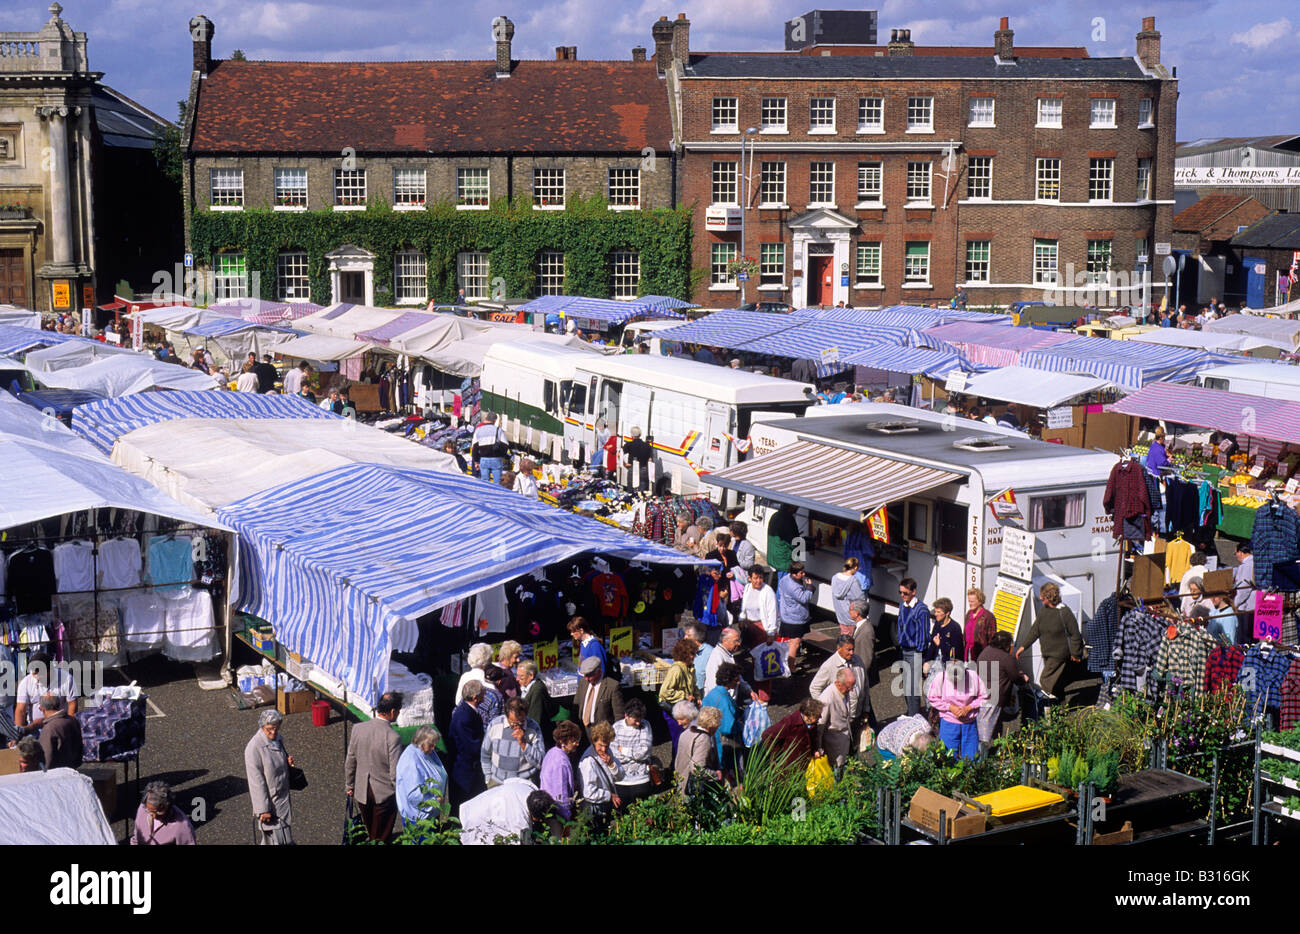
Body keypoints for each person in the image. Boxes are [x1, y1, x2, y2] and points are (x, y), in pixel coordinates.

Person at [344, 691, 404, 843]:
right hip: (383, 793)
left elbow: (350, 760)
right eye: (398, 711)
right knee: (381, 837)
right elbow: (394, 772)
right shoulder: (393, 737)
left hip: (362, 790)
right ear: (392, 711)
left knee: (370, 830)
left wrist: (349, 784)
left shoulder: (358, 729)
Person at [1016, 583, 1083, 698]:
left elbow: (1075, 634)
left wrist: (1076, 653)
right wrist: (1023, 647)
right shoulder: (1043, 611)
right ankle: (1059, 706)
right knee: (1056, 683)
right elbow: (1035, 630)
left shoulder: (1064, 612)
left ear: (1050, 597)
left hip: (1059, 654)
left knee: (1045, 680)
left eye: (1043, 596)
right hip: (1047, 653)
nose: (1041, 598)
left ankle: (1045, 707)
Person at [244, 708, 294, 845]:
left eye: (276, 729)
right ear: (262, 727)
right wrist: (262, 809)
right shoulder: (253, 748)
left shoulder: (278, 738)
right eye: (269, 729)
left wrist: (286, 762)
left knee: (281, 838)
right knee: (276, 839)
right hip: (270, 805)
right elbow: (256, 782)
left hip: (281, 800)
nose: (273, 733)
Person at [928, 661, 986, 761]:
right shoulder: (941, 678)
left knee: (971, 759)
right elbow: (932, 697)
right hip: (949, 722)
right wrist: (950, 707)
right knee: (948, 758)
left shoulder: (973, 676)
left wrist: (969, 707)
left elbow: (984, 696)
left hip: (969, 724)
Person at [481, 697, 544, 788]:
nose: (517, 726)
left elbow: (540, 762)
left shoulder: (534, 728)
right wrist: (488, 777)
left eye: (521, 722)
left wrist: (524, 744)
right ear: (506, 716)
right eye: (514, 723)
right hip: (497, 782)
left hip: (523, 783)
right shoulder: (495, 725)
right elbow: (485, 753)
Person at [976, 632, 1025, 744]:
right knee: (985, 733)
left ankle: (983, 750)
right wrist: (1023, 679)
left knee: (983, 724)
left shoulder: (986, 651)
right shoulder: (1005, 657)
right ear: (1006, 645)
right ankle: (984, 754)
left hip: (981, 693)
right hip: (995, 695)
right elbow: (1015, 677)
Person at [459, 777, 538, 845]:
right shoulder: (520, 818)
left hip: (480, 806)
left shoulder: (529, 791)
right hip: (475, 818)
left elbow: (510, 780)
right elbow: (523, 841)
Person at [395, 725, 448, 827]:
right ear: (421, 742)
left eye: (434, 745)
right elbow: (414, 795)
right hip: (419, 818)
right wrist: (434, 801)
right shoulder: (411, 761)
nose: (433, 748)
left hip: (431, 813)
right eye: (431, 745)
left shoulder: (424, 751)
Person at [13, 654, 78, 736]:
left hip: (60, 727)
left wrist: (68, 727)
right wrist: (17, 735)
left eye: (40, 674)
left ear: (50, 670)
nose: (37, 677)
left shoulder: (67, 679)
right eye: (34, 674)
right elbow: (20, 710)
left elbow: (72, 705)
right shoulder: (25, 683)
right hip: (34, 730)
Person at [702, 662, 745, 777]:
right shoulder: (724, 700)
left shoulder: (713, 693)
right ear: (728, 680)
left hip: (712, 739)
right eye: (736, 680)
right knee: (733, 773)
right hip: (725, 744)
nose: (738, 683)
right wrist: (741, 725)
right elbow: (728, 728)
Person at [449, 681, 487, 808]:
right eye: (483, 694)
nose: (485, 696)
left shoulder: (468, 711)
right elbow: (472, 746)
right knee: (465, 803)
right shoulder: (465, 716)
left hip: (467, 767)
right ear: (475, 698)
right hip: (465, 769)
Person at [896, 578, 930, 716]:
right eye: (900, 592)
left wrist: (919, 654)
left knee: (913, 689)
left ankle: (914, 717)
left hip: (914, 652)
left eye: (905, 593)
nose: (902, 596)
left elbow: (924, 634)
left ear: (913, 592)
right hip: (903, 650)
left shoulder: (921, 610)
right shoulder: (901, 606)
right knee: (906, 687)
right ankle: (910, 712)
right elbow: (899, 626)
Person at [760, 697, 824, 771]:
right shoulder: (789, 723)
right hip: (787, 768)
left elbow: (812, 739)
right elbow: (767, 734)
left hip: (802, 766)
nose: (820, 717)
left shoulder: (812, 724)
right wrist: (777, 756)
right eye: (817, 716)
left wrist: (814, 751)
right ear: (808, 715)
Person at [613, 698, 657, 803]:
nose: (638, 723)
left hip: (641, 779)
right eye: (635, 720)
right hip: (621, 780)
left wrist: (624, 750)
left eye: (640, 719)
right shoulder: (616, 727)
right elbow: (614, 752)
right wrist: (635, 757)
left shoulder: (645, 725)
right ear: (626, 716)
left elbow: (645, 751)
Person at [578, 722, 625, 820]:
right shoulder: (588, 761)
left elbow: (621, 776)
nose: (603, 749)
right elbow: (588, 792)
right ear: (594, 741)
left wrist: (611, 764)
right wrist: (609, 796)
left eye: (606, 746)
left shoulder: (608, 751)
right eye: (600, 745)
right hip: (597, 808)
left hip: (607, 804)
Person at [573, 656, 624, 744]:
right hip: (585, 728)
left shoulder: (612, 686)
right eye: (585, 675)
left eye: (589, 675)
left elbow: (619, 715)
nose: (586, 679)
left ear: (599, 671)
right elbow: (577, 702)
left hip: (603, 731)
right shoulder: (583, 682)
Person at [816, 668, 858, 771]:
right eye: (849, 687)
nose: (852, 690)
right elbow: (819, 727)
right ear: (839, 683)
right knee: (837, 776)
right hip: (834, 748)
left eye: (853, 686)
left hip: (845, 743)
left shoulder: (844, 691)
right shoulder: (826, 699)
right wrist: (818, 747)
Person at [675, 706, 722, 796]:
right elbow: (697, 769)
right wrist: (715, 774)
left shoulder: (687, 732)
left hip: (681, 781)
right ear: (712, 725)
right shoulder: (704, 739)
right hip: (692, 788)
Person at [131, 781, 197, 845]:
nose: (153, 816)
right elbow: (136, 838)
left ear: (168, 805)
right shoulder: (143, 808)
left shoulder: (181, 825)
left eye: (159, 812)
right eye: (150, 811)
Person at [540, 720, 581, 820]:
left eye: (578, 740)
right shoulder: (560, 762)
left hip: (548, 808)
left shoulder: (552, 752)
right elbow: (561, 794)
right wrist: (567, 817)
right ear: (563, 742)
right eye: (573, 741)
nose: (577, 744)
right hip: (556, 814)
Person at [777, 561, 815, 666]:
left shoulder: (785, 579)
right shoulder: (794, 586)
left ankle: (787, 664)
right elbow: (804, 598)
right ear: (794, 574)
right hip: (795, 619)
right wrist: (809, 587)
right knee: (795, 643)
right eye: (801, 573)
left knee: (791, 642)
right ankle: (791, 667)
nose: (804, 574)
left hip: (787, 616)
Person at [35, 695, 82, 770]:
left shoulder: (49, 728)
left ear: (42, 709)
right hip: (72, 769)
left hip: (56, 774)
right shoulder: (73, 720)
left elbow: (47, 759)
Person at [740, 566, 779, 650]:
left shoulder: (768, 591)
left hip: (762, 627)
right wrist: (742, 619)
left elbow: (772, 613)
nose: (758, 581)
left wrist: (771, 634)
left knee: (762, 654)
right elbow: (744, 605)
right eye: (755, 578)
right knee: (752, 651)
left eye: (761, 578)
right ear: (750, 578)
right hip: (750, 625)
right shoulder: (747, 588)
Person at [703, 626, 750, 696]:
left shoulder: (728, 653)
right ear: (725, 641)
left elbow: (738, 676)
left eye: (739, 640)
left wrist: (749, 690)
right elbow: (712, 684)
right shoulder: (717, 656)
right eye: (736, 641)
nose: (739, 644)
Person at [923, 597, 966, 671]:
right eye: (935, 611)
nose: (935, 614)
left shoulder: (955, 628)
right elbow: (932, 645)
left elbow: (956, 654)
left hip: (949, 667)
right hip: (936, 663)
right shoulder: (937, 624)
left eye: (938, 612)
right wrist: (927, 661)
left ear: (947, 613)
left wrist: (940, 644)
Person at [517, 660, 552, 744]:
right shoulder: (526, 687)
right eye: (517, 676)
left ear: (531, 676)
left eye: (521, 677)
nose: (517, 679)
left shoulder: (537, 690)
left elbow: (535, 717)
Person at [472, 412, 508, 483]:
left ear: (486, 418)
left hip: (483, 459)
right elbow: (505, 445)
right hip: (496, 459)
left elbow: (475, 447)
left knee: (485, 482)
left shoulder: (478, 430)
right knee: (497, 483)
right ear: (495, 420)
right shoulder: (498, 430)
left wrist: (476, 461)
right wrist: (501, 455)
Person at [832, 558, 865, 633]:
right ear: (855, 567)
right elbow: (860, 600)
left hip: (840, 615)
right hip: (851, 616)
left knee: (844, 638)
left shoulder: (834, 578)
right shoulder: (853, 581)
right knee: (849, 641)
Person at [767, 504, 801, 575]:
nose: (798, 508)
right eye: (797, 506)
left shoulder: (775, 515)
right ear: (791, 507)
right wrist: (812, 545)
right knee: (783, 584)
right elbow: (794, 542)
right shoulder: (788, 519)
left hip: (774, 558)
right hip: (784, 561)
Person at [965, 588, 998, 660]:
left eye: (972, 601)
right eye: (969, 601)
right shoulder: (968, 614)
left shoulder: (988, 616)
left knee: (983, 671)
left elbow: (992, 640)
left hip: (983, 654)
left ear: (980, 601)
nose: (970, 604)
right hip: (968, 654)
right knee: (970, 671)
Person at [1233, 543, 1255, 638]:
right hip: (1252, 604)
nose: (1236, 556)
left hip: (1246, 606)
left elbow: (1244, 588)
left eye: (1235, 553)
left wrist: (1235, 603)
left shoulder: (1246, 565)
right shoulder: (1254, 562)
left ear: (1241, 553)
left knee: (1244, 637)